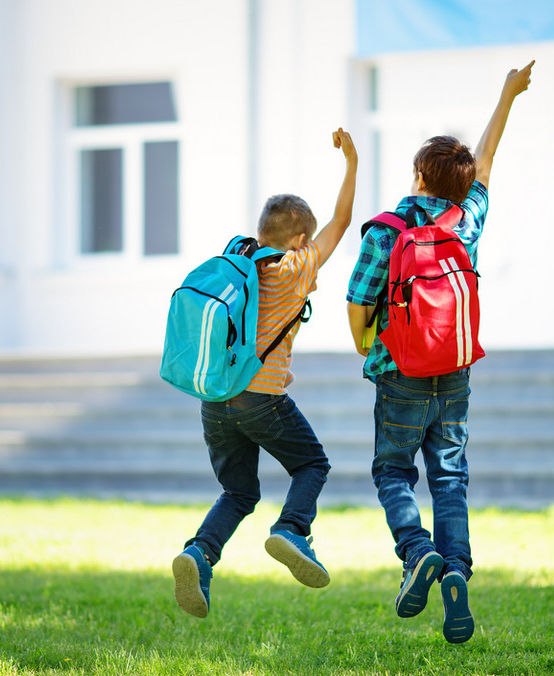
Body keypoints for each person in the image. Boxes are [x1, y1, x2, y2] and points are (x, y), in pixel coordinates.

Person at [345, 61, 534, 644]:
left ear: (418, 175)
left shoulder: (387, 228)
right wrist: (507, 93)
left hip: (398, 370)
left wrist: (368, 348)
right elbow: (488, 158)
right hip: (453, 372)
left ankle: (417, 551)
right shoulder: (466, 221)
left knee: (392, 471)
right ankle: (455, 573)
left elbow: (358, 301)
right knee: (449, 477)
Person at [172, 128, 358, 619]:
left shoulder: (238, 260)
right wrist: (352, 162)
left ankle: (199, 553)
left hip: (216, 398)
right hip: (262, 398)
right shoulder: (296, 267)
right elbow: (342, 221)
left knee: (238, 491)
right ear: (299, 238)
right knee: (312, 465)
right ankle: (292, 529)